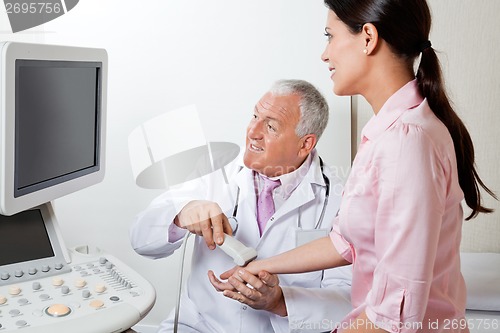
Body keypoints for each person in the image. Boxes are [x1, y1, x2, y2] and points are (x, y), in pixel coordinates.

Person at [210, 1, 497, 333]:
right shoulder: (388, 131)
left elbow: (394, 316)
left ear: (368, 38)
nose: (324, 54)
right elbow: (347, 241)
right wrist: (261, 266)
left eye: (330, 36)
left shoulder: (406, 142)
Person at [130, 79, 352, 333]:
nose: (253, 132)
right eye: (255, 116)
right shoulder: (214, 168)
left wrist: (280, 302)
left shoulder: (340, 199)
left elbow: (348, 302)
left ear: (305, 144)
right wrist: (181, 215)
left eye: (270, 126)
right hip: (201, 325)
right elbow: (140, 238)